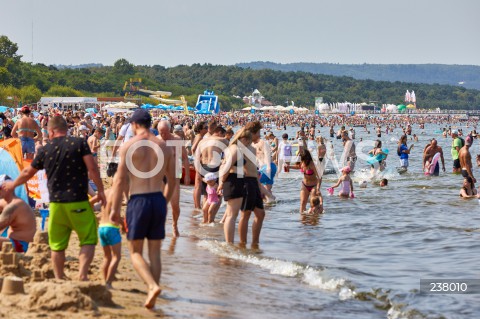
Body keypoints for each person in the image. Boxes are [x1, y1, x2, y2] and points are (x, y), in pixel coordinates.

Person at [3, 115, 105, 280]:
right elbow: (92, 169)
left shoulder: (45, 150)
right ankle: (83, 275)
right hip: (78, 201)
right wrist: (100, 191)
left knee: (57, 245)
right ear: (65, 129)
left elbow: (29, 172)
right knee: (87, 239)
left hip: (56, 204)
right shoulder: (79, 144)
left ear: (50, 131)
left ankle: (59, 277)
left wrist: (13, 184)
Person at [110, 109, 175, 309]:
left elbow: (120, 180)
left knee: (135, 251)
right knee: (154, 252)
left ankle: (152, 286)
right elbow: (173, 180)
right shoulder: (163, 146)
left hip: (138, 200)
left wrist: (114, 209)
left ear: (135, 124)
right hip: (157, 198)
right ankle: (151, 294)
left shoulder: (129, 146)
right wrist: (164, 201)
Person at [157, 120, 190, 237]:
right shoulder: (156, 140)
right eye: (161, 133)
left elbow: (185, 158)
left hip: (174, 176)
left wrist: (187, 175)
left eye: (165, 132)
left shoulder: (177, 141)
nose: (163, 135)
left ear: (169, 130)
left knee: (175, 205)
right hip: (160, 177)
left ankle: (174, 224)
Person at [90, 173, 122, 289]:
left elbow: (90, 202)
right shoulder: (118, 194)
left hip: (102, 227)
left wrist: (92, 216)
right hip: (112, 228)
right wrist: (123, 224)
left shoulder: (105, 192)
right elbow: (115, 215)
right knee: (116, 257)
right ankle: (109, 282)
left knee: (107, 257)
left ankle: (105, 282)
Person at [219, 129, 251, 244]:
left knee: (230, 214)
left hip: (233, 180)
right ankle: (229, 243)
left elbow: (222, 165)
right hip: (233, 181)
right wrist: (222, 182)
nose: (248, 144)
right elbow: (226, 167)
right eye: (248, 142)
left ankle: (229, 242)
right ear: (243, 139)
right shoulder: (236, 149)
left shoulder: (230, 148)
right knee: (232, 216)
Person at [239, 124, 266, 247]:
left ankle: (255, 243)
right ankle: (242, 243)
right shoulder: (242, 146)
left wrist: (261, 187)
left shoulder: (252, 148)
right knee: (246, 214)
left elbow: (254, 168)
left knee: (260, 213)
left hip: (254, 181)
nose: (260, 136)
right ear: (253, 133)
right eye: (258, 133)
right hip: (246, 181)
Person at [0, 175, 36, 253]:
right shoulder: (7, 202)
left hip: (21, 245)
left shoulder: (14, 205)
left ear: (6, 188)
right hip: (14, 241)